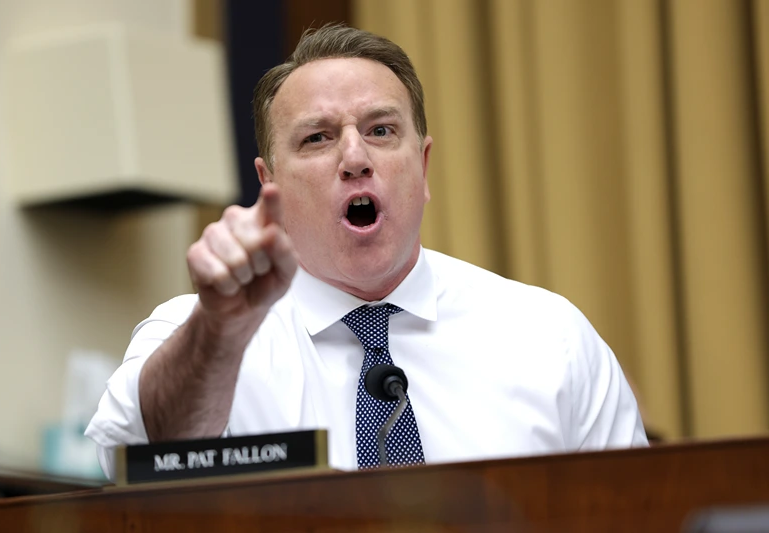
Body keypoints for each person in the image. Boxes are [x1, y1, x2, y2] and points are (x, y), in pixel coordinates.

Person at [86, 24, 647, 480]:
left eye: (380, 130)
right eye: (318, 138)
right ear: (269, 182)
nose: (354, 157)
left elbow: (643, 511)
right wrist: (218, 333)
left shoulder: (550, 338)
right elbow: (130, 463)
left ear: (422, 167)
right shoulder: (197, 333)